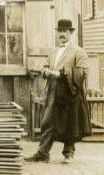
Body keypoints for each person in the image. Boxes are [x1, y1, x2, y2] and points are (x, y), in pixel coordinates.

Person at [28, 19, 91, 164]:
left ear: (71, 33)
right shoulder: (53, 51)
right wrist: (45, 71)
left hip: (70, 92)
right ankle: (42, 153)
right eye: (60, 31)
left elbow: (83, 72)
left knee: (70, 122)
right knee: (47, 122)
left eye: (65, 31)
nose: (61, 34)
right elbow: (45, 66)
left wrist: (61, 74)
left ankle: (68, 154)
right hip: (53, 92)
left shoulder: (78, 51)